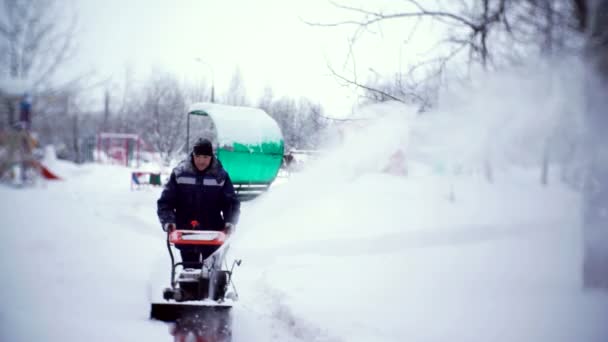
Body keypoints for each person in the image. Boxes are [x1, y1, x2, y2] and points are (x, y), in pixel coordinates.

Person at [157, 138, 240, 268]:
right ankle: (187, 287)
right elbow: (166, 202)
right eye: (198, 156)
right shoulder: (180, 174)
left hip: (213, 233)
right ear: (193, 155)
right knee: (189, 271)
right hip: (185, 232)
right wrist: (168, 221)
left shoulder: (220, 176)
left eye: (205, 157)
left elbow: (231, 203)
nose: (201, 161)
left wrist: (230, 222)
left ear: (211, 157)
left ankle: (212, 287)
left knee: (211, 274)